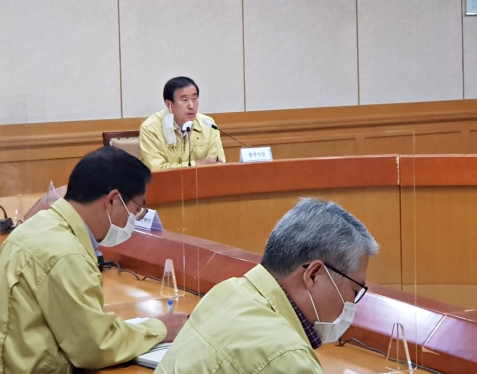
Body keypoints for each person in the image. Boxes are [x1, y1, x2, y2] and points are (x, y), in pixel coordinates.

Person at [0, 146, 189, 373]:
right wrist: (160, 328)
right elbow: (95, 347)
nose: (134, 219)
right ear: (113, 200)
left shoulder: (38, 226)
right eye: (136, 209)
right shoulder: (66, 254)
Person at [156, 197, 379, 373]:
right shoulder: (284, 355)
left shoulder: (227, 291)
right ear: (313, 275)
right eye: (355, 291)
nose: (352, 304)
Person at [140, 76, 226, 170]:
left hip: (202, 179)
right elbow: (157, 170)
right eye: (184, 100)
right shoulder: (150, 129)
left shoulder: (208, 125)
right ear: (169, 104)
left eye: (194, 98)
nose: (191, 106)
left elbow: (217, 164)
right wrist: (198, 164)